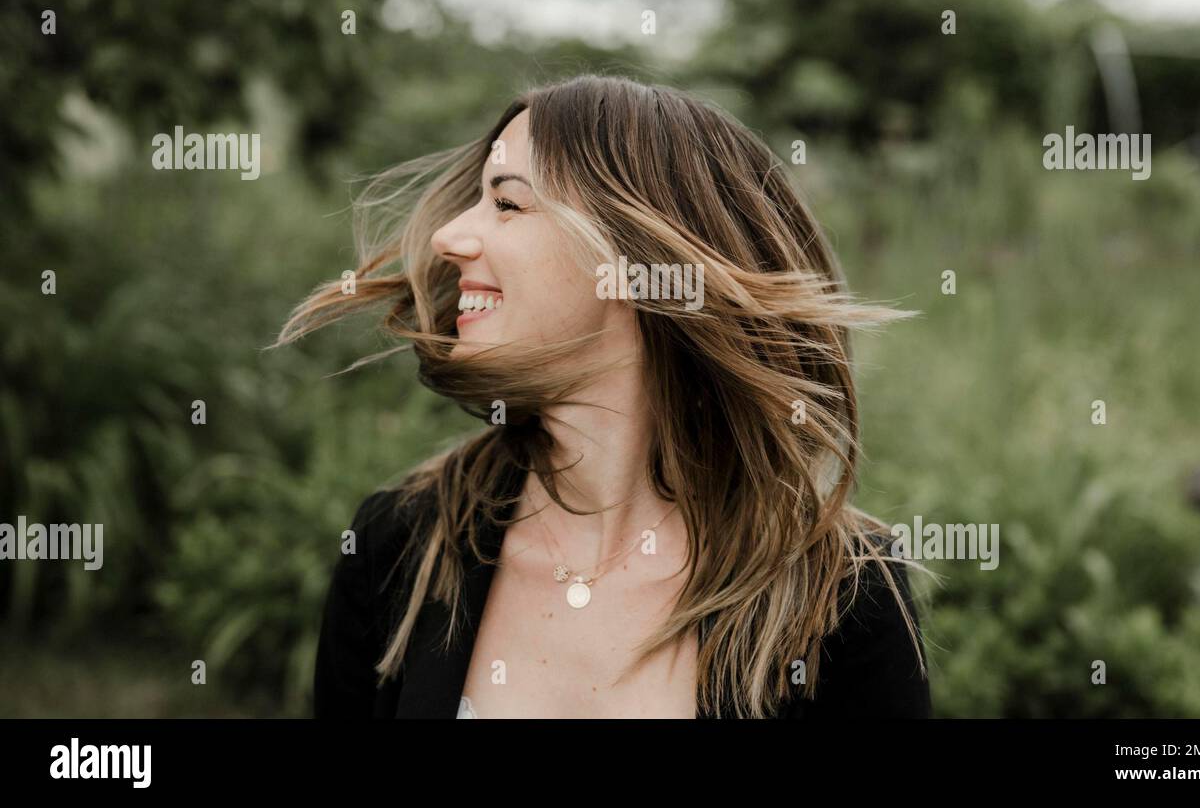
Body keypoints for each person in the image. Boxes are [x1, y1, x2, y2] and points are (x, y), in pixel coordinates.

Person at [277, 74, 932, 718]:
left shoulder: (842, 594)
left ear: (632, 256)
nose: (449, 236)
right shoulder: (397, 544)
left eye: (506, 203)